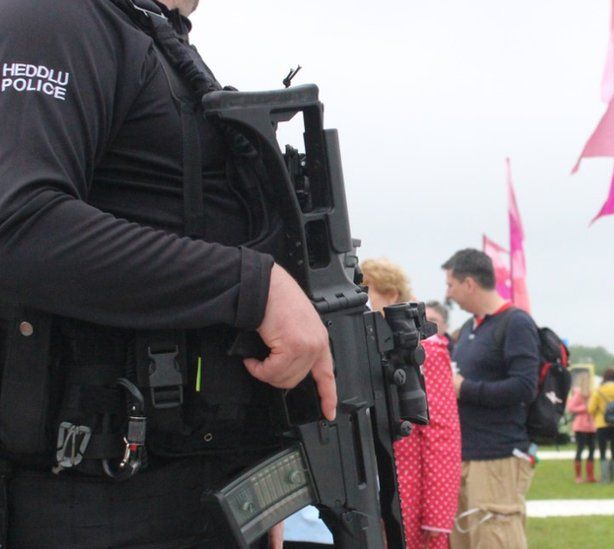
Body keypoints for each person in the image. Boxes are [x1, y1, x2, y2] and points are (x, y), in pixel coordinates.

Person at [0, 1, 339, 546]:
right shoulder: (60, 16)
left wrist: (253, 470)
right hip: (101, 497)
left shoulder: (152, 35)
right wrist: (254, 286)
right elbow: (16, 225)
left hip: (196, 484)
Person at [362, 259, 461, 549]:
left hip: (411, 494)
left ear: (391, 294)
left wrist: (437, 514)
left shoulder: (426, 350)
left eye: (367, 291)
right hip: (373, 488)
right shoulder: (362, 349)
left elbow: (441, 433)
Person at [442, 249, 538, 549]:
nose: (448, 294)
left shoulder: (516, 323)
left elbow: (524, 386)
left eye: (451, 285)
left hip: (498, 454)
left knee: (496, 539)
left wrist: (465, 388)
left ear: (469, 283)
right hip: (464, 455)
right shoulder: (470, 329)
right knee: (464, 541)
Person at [589, 368, 614, 483]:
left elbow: (591, 408)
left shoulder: (599, 390)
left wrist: (598, 413)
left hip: (602, 423)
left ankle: (604, 477)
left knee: (602, 451)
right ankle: (612, 477)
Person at [567, 383, 597, 483]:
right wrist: (585, 408)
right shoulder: (578, 395)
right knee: (580, 450)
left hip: (592, 426)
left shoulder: (593, 394)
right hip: (580, 427)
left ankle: (590, 476)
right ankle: (578, 476)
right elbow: (570, 407)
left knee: (592, 451)